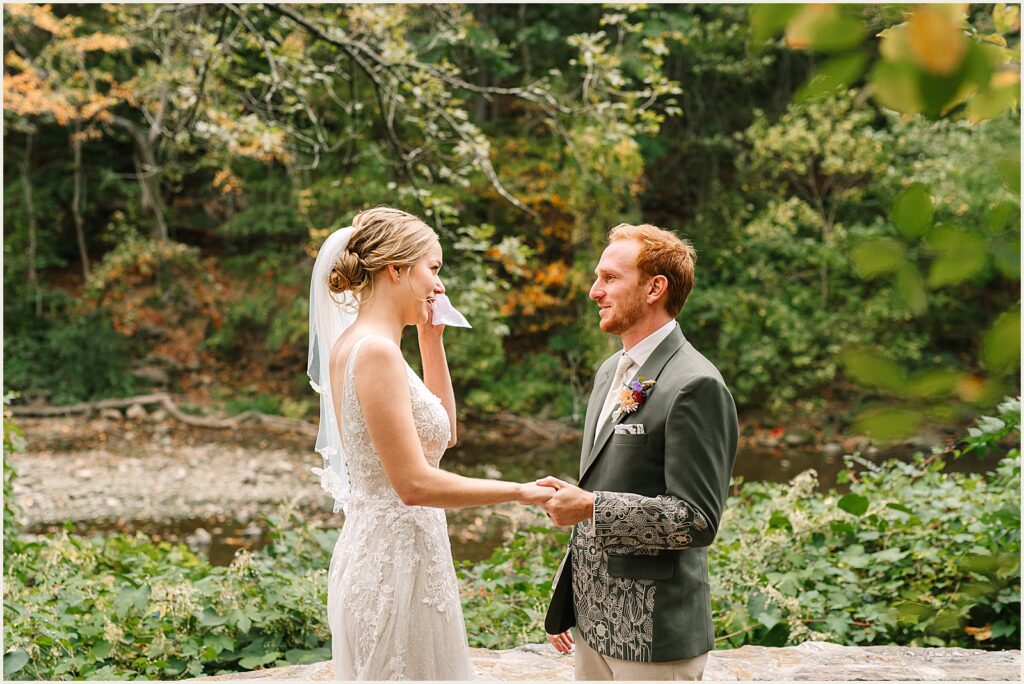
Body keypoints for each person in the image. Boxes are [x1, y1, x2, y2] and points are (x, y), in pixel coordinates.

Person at [306, 206, 554, 681]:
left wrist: (430, 337)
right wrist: (521, 492)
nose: (440, 285)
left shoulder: (372, 345)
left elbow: (445, 434)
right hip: (392, 569)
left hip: (410, 556)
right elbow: (415, 483)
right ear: (396, 270)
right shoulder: (374, 351)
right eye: (433, 269)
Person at [539, 223, 738, 681]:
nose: (594, 291)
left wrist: (589, 506)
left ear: (654, 288)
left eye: (610, 278)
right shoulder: (611, 371)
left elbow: (697, 519)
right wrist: (568, 595)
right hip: (592, 624)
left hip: (654, 635)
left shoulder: (696, 384)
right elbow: (608, 482)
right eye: (597, 277)